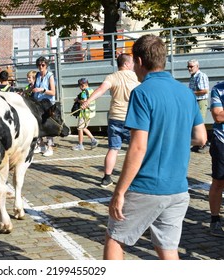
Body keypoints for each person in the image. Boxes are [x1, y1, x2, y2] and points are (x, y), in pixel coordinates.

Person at [103, 34, 207, 260]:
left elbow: (138, 148)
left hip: (147, 186)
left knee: (115, 239)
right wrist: (172, 138)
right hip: (178, 188)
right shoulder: (186, 93)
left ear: (139, 61)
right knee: (167, 250)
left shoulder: (141, 92)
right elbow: (200, 138)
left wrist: (119, 192)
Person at [82, 53, 140, 188]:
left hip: (114, 118)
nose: (133, 65)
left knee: (113, 149)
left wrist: (88, 101)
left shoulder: (112, 77)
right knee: (135, 149)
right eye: (131, 62)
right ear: (126, 64)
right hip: (131, 119)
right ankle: (135, 177)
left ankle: (106, 178)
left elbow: (101, 90)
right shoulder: (136, 77)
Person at [208, 82, 224, 237]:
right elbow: (218, 115)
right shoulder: (218, 89)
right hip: (221, 142)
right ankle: (214, 220)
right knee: (218, 181)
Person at [32, 56, 56, 157]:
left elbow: (53, 92)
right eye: (39, 65)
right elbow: (34, 88)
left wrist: (43, 90)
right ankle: (41, 145)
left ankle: (50, 147)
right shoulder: (37, 75)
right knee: (38, 124)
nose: (40, 67)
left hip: (47, 103)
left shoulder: (50, 75)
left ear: (46, 65)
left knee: (48, 125)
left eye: (43, 65)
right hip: (38, 103)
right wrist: (25, 92)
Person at [188, 59, 210, 153]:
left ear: (197, 66)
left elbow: (205, 90)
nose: (189, 68)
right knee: (194, 122)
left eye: (191, 66)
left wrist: (191, 93)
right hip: (195, 101)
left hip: (201, 101)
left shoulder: (201, 76)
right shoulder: (193, 76)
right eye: (188, 66)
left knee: (200, 122)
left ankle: (204, 144)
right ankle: (198, 144)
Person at [71, 78, 98, 151]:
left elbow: (85, 102)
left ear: (82, 85)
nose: (79, 87)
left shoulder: (83, 93)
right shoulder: (91, 90)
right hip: (90, 113)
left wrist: (78, 100)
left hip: (84, 113)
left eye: (79, 85)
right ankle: (93, 140)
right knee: (84, 128)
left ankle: (80, 145)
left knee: (79, 128)